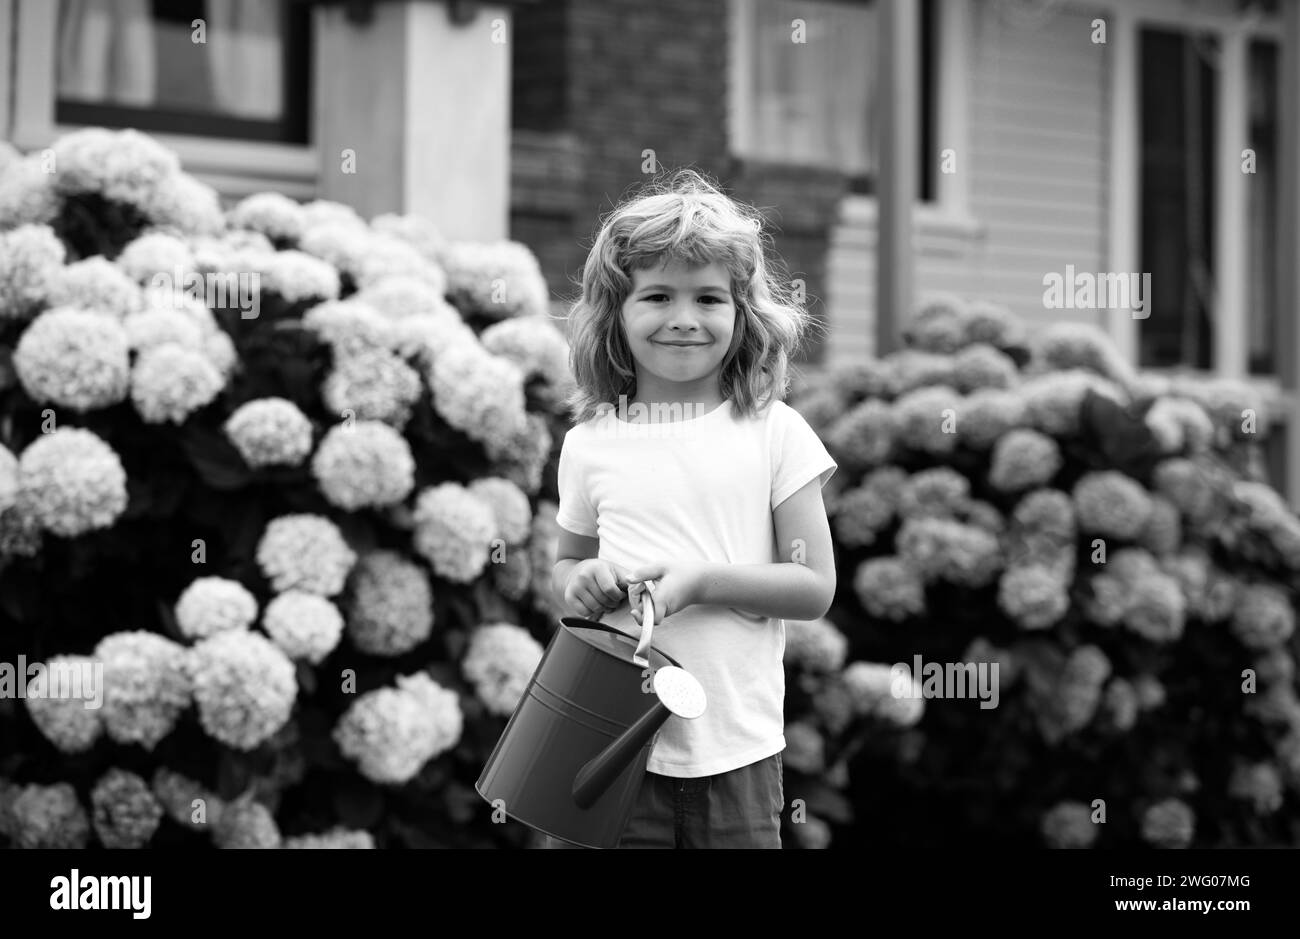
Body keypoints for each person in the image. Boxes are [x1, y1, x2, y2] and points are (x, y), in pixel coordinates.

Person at [546, 168, 838, 849]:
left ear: (743, 315)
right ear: (615, 311)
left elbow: (813, 585)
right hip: (605, 743)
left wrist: (702, 580)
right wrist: (577, 583)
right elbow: (566, 564)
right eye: (656, 295)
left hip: (734, 753)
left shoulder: (774, 432)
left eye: (709, 297)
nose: (684, 318)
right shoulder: (590, 445)